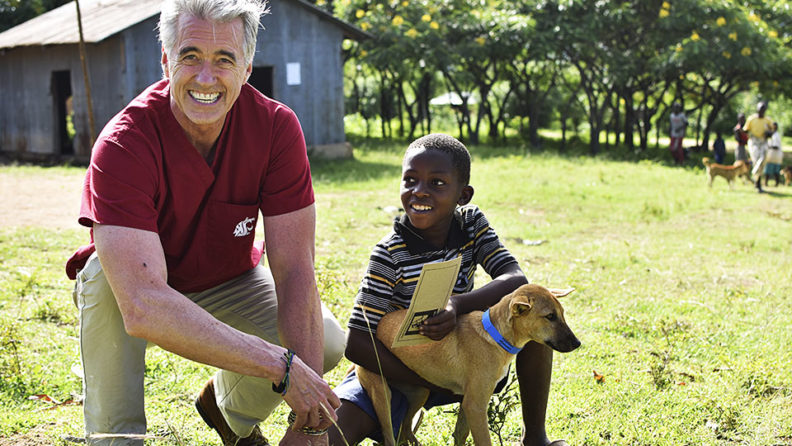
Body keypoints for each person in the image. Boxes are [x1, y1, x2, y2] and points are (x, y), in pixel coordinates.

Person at [64, 0, 345, 444]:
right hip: (138, 288)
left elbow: (294, 271)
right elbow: (144, 306)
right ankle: (115, 437)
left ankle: (226, 409)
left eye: (224, 60)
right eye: (190, 56)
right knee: (100, 276)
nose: (206, 77)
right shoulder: (123, 142)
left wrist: (308, 425)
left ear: (248, 67)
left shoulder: (275, 128)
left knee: (327, 341)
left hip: (226, 278)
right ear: (166, 60)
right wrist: (282, 366)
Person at [327, 133, 568, 446]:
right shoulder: (389, 254)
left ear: (463, 195)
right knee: (326, 438)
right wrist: (425, 379)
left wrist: (457, 305)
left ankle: (535, 438)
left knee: (533, 318)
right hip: (395, 372)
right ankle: (389, 427)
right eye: (410, 180)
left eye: (437, 183)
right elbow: (357, 345)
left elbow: (515, 278)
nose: (419, 192)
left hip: (465, 366)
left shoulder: (471, 224)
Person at [744, 101, 774, 192]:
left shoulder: (768, 120)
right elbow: (746, 130)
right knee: (756, 160)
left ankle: (756, 176)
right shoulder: (751, 119)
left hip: (763, 141)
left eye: (763, 109)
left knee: (763, 159)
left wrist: (769, 133)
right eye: (760, 109)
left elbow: (773, 130)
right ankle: (757, 183)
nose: (762, 111)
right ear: (757, 109)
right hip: (754, 141)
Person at [765, 122, 784, 187]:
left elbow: (776, 146)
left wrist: (769, 146)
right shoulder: (771, 135)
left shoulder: (775, 135)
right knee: (768, 170)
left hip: (775, 155)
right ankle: (766, 183)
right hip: (771, 154)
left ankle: (776, 183)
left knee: (775, 170)